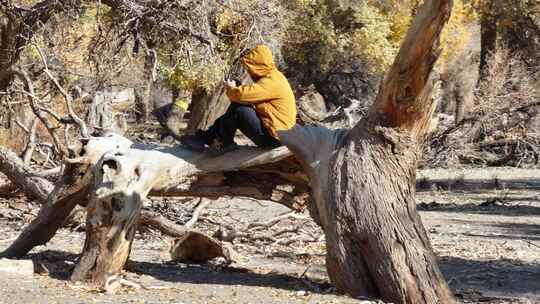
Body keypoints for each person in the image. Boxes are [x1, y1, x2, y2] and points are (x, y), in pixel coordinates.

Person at [180, 44, 297, 156]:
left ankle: (222, 142)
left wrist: (232, 89)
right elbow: (251, 94)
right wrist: (237, 88)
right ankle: (205, 138)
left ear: (258, 65)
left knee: (239, 109)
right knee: (237, 109)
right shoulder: (274, 77)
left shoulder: (272, 81)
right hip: (277, 135)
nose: (249, 71)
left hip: (274, 140)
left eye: (250, 67)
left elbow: (242, 96)